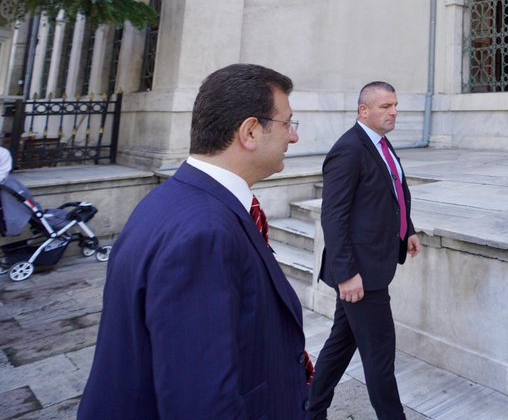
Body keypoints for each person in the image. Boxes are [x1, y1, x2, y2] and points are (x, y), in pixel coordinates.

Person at [79, 64, 308, 419]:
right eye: (287, 123)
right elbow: (201, 401)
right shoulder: (203, 234)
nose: (293, 137)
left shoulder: (175, 198)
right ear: (250, 131)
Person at [307, 82, 421, 420]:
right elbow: (334, 215)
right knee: (380, 355)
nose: (394, 111)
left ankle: (310, 408)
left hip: (375, 263)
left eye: (396, 105)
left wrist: (407, 231)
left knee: (341, 344)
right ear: (364, 111)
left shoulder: (381, 144)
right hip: (361, 274)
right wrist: (346, 275)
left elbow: (392, 196)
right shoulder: (349, 149)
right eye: (386, 106)